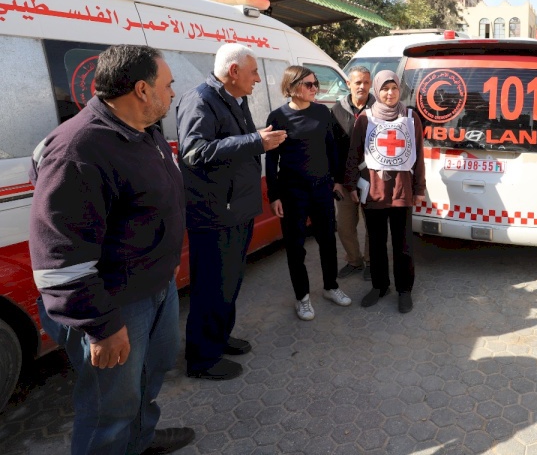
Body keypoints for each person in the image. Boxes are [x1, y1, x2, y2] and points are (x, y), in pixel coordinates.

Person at [29, 45, 194, 454]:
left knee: (148, 379)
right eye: (168, 84)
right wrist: (101, 326)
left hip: (155, 289)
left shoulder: (146, 131)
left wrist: (164, 265)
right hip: (114, 305)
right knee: (108, 409)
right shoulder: (78, 150)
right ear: (142, 89)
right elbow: (59, 258)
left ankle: (138, 441)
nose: (173, 93)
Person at [176, 44, 286, 381]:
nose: (257, 79)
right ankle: (202, 359)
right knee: (212, 286)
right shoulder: (201, 100)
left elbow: (239, 142)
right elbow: (194, 152)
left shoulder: (234, 99)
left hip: (236, 210)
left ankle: (220, 338)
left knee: (230, 282)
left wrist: (257, 139)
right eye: (253, 72)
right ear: (234, 71)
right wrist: (256, 142)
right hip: (214, 215)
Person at [265, 65, 351, 320]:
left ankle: (331, 287)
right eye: (310, 84)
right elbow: (271, 160)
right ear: (292, 88)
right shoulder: (277, 117)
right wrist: (274, 195)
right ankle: (302, 297)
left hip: (322, 189)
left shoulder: (322, 112)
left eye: (316, 84)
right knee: (295, 246)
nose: (316, 89)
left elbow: (331, 149)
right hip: (293, 193)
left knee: (327, 240)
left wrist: (336, 181)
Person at [344, 70, 425, 314]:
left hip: (402, 191)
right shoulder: (365, 119)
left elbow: (419, 156)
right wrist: (350, 185)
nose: (389, 93)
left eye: (394, 88)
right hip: (374, 191)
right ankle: (380, 287)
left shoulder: (411, 118)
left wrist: (419, 189)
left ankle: (404, 290)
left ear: (400, 90)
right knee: (377, 244)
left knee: (403, 246)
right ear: (376, 91)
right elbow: (353, 154)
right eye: (384, 89)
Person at [331, 66, 374, 281]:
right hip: (345, 181)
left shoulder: (380, 108)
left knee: (372, 225)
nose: (362, 86)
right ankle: (354, 260)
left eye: (366, 82)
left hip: (373, 180)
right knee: (345, 226)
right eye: (358, 82)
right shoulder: (337, 110)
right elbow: (333, 149)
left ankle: (371, 262)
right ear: (348, 84)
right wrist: (336, 181)